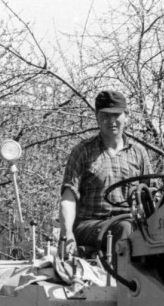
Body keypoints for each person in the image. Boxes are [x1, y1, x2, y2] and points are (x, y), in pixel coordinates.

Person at [58, 90, 152, 256]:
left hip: (131, 223)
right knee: (125, 228)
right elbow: (68, 198)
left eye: (116, 115)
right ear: (97, 117)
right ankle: (123, 280)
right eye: (105, 116)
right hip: (90, 225)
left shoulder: (139, 153)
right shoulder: (83, 151)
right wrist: (67, 233)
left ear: (126, 116)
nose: (111, 121)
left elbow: (152, 195)